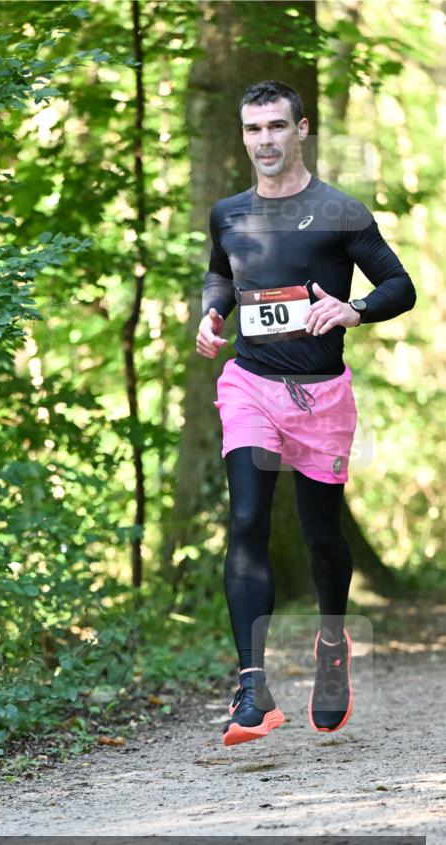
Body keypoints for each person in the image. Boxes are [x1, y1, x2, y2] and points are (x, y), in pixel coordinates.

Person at [197, 80, 416, 747]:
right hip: (251, 388)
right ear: (243, 136)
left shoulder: (338, 212)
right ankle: (252, 690)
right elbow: (221, 276)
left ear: (301, 130)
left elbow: (398, 286)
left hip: (320, 398)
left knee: (321, 539)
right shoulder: (228, 214)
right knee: (245, 520)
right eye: (252, 128)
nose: (263, 140)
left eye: (275, 127)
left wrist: (355, 309)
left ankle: (330, 639)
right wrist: (211, 313)